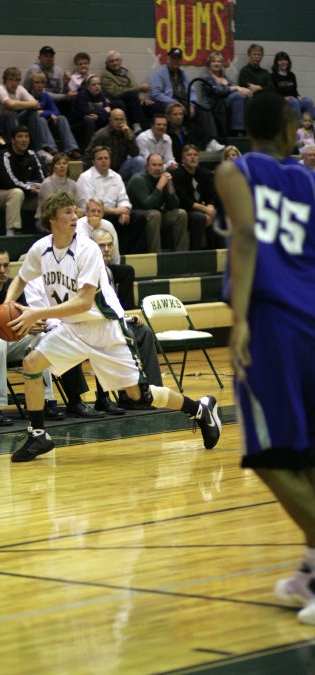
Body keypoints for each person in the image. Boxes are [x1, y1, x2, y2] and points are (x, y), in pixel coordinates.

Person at [3, 191, 221, 462]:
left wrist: (38, 312)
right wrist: (6, 304)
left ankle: (199, 409)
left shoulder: (87, 249)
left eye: (75, 211)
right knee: (31, 363)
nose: (75, 216)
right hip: (72, 329)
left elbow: (83, 303)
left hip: (105, 327)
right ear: (52, 219)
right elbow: (21, 278)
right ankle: (38, 435)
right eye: (68, 212)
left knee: (138, 395)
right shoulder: (41, 249)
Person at [214, 91, 315, 626]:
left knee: (270, 457)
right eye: (297, 122)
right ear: (276, 127)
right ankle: (312, 566)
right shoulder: (310, 181)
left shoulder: (235, 173)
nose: (302, 130)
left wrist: (243, 316)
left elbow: (248, 237)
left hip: (273, 323)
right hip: (311, 322)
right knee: (306, 455)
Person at [0, 248, 63, 424]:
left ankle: (45, 400)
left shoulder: (14, 287)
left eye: (5, 265)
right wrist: (22, 326)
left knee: (41, 338)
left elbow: (25, 317)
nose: (2, 270)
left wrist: (32, 324)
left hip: (10, 337)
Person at [91, 226, 163, 409]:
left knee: (144, 332)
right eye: (101, 246)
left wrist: (126, 316)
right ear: (92, 248)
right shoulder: (89, 272)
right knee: (127, 334)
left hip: (112, 321)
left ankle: (152, 391)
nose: (107, 249)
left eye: (109, 245)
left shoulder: (108, 272)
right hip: (95, 326)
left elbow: (111, 305)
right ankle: (130, 395)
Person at [150, 47, 224, 153]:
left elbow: (192, 90)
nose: (176, 61)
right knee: (174, 110)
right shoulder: (160, 73)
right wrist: (172, 102)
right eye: (173, 58)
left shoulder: (183, 74)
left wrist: (191, 104)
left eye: (178, 59)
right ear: (168, 59)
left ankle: (210, 142)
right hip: (167, 103)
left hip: (183, 102)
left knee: (204, 109)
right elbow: (155, 94)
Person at [76, 145, 147, 255]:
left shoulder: (116, 177)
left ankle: (133, 255)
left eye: (106, 158)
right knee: (107, 219)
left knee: (139, 218)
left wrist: (125, 212)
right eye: (100, 159)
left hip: (115, 213)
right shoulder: (85, 178)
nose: (104, 161)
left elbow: (124, 199)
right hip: (95, 215)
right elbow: (90, 206)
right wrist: (117, 211)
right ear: (93, 162)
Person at [0, 125, 44, 235]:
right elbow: (10, 182)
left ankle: (43, 228)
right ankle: (11, 232)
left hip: (23, 196)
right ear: (13, 140)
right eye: (20, 136)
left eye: (26, 137)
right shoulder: (4, 155)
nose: (23, 140)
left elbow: (41, 180)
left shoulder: (32, 154)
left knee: (46, 195)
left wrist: (29, 186)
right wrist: (30, 188)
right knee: (16, 192)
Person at [127, 153, 188, 252]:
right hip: (137, 215)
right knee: (155, 214)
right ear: (147, 166)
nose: (157, 168)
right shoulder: (138, 180)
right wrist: (160, 186)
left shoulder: (164, 178)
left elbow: (175, 205)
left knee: (181, 214)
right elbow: (148, 204)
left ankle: (182, 253)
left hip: (157, 214)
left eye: (160, 165)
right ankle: (155, 255)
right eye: (154, 165)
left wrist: (169, 188)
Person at [171, 144, 221, 250]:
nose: (193, 157)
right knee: (199, 217)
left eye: (195, 155)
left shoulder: (205, 174)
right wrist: (205, 209)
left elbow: (211, 195)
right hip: (186, 209)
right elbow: (184, 200)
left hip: (203, 208)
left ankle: (217, 251)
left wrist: (211, 207)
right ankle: (196, 252)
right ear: (183, 159)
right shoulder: (177, 174)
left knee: (218, 213)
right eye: (189, 155)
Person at [27, 72, 81, 159]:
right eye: (37, 82)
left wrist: (46, 113)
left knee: (61, 118)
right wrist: (47, 114)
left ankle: (71, 149)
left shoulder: (45, 95)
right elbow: (33, 113)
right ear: (32, 84)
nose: (40, 85)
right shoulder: (27, 95)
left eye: (42, 83)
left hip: (46, 124)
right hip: (32, 125)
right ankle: (52, 150)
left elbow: (56, 111)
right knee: (41, 119)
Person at [83, 108, 144, 180]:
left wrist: (130, 139)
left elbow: (135, 154)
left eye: (122, 120)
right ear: (110, 121)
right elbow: (87, 156)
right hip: (104, 170)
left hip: (121, 170)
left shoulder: (127, 133)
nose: (119, 122)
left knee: (139, 160)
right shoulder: (101, 135)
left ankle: (132, 188)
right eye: (116, 119)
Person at [101, 51, 152, 133]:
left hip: (131, 98)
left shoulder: (126, 71)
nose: (115, 63)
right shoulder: (105, 75)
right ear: (106, 63)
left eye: (117, 60)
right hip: (115, 101)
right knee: (131, 95)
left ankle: (150, 130)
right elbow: (115, 92)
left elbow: (133, 86)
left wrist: (142, 98)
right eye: (112, 61)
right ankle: (137, 127)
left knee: (152, 105)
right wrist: (138, 89)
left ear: (121, 61)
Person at [201, 52, 251, 136]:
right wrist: (236, 88)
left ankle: (248, 128)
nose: (216, 63)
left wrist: (242, 89)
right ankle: (237, 130)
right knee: (238, 96)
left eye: (219, 61)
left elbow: (234, 86)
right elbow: (217, 91)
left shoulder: (225, 77)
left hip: (227, 101)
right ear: (209, 64)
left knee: (247, 95)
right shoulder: (207, 78)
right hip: (215, 103)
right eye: (213, 61)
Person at [35, 152, 80, 229]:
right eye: (58, 164)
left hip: (69, 218)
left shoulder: (73, 184)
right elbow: (50, 209)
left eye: (64, 163)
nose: (62, 166)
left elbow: (79, 204)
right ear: (53, 167)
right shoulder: (47, 183)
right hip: (47, 220)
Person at [23, 46, 76, 111]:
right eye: (46, 56)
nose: (49, 59)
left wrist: (66, 84)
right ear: (39, 58)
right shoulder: (34, 69)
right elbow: (32, 91)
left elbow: (60, 92)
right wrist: (64, 96)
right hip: (38, 101)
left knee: (70, 101)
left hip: (54, 103)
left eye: (51, 56)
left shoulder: (58, 70)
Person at [270, 51, 314, 121]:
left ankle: (311, 126)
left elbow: (294, 90)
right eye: (280, 60)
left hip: (293, 100)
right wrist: (283, 98)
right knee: (294, 101)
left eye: (285, 60)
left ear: (288, 62)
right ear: (276, 63)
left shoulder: (291, 75)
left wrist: (298, 95)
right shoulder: (273, 76)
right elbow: (272, 93)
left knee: (308, 101)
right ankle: (299, 128)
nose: (283, 62)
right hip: (281, 101)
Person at [70, 75, 111, 148]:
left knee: (110, 119)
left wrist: (98, 117)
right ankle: (88, 149)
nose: (97, 86)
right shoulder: (82, 95)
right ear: (88, 87)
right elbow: (85, 113)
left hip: (95, 120)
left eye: (99, 84)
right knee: (90, 121)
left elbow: (108, 113)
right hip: (78, 123)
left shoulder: (101, 95)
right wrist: (103, 110)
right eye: (94, 85)